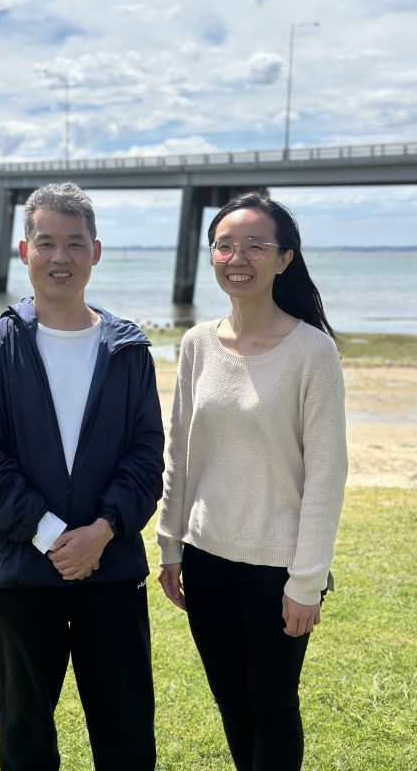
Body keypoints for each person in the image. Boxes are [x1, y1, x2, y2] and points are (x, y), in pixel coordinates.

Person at [0, 182, 164, 771]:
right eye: (46, 243)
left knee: (125, 730)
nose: (60, 258)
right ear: (24, 251)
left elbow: (147, 457)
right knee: (24, 733)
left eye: (74, 244)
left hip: (112, 568)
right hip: (24, 573)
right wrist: (54, 538)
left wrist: (100, 532)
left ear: (96, 252)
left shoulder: (128, 349)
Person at [157, 191, 348, 771]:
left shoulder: (313, 352)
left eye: (255, 246)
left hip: (277, 567)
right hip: (205, 558)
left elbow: (327, 472)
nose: (237, 257)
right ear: (211, 254)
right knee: (231, 704)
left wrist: (306, 580)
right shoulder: (195, 344)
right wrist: (169, 543)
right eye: (224, 246)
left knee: (271, 707)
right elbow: (180, 450)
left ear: (284, 258)